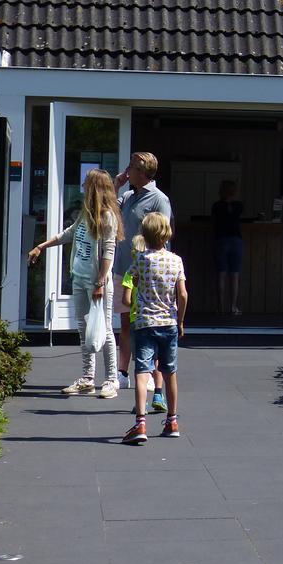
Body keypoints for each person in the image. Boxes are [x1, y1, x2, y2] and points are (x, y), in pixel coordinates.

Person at [28, 168, 122, 398]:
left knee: (105, 329)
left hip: (96, 282)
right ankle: (88, 378)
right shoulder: (86, 213)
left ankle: (111, 380)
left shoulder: (107, 216)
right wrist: (42, 246)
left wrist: (100, 283)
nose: (82, 187)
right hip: (79, 278)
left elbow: (109, 250)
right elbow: (69, 234)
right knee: (83, 329)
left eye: (86, 183)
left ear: (95, 188)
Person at [121, 212, 187, 445]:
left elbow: (129, 293)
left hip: (145, 323)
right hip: (168, 323)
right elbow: (182, 294)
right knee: (170, 372)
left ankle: (140, 423)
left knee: (142, 371)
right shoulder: (176, 260)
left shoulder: (140, 260)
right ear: (166, 234)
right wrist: (180, 320)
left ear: (145, 235)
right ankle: (172, 420)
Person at [113, 152, 172, 410]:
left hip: (145, 273)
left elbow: (164, 234)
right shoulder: (128, 196)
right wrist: (116, 185)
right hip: (124, 269)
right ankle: (122, 372)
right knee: (125, 322)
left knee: (150, 327)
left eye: (132, 167)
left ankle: (151, 381)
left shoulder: (159, 199)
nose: (128, 171)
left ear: (143, 172)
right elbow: (110, 216)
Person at [211, 180, 243, 316]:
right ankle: (233, 306)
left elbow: (214, 222)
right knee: (234, 274)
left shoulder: (217, 206)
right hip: (236, 240)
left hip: (221, 239)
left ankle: (220, 307)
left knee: (221, 274)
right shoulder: (238, 206)